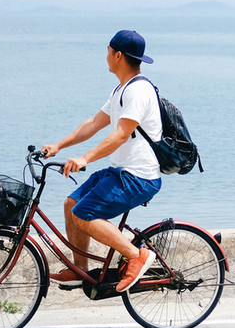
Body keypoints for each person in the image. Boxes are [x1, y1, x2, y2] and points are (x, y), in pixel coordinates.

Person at [41, 30, 163, 293]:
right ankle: (81, 271)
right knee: (71, 203)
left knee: (84, 214)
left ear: (118, 55)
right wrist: (59, 145)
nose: (106, 55)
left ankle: (136, 255)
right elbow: (94, 124)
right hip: (120, 171)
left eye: (108, 51)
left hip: (139, 177)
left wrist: (85, 158)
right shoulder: (121, 89)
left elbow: (120, 135)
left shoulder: (139, 91)